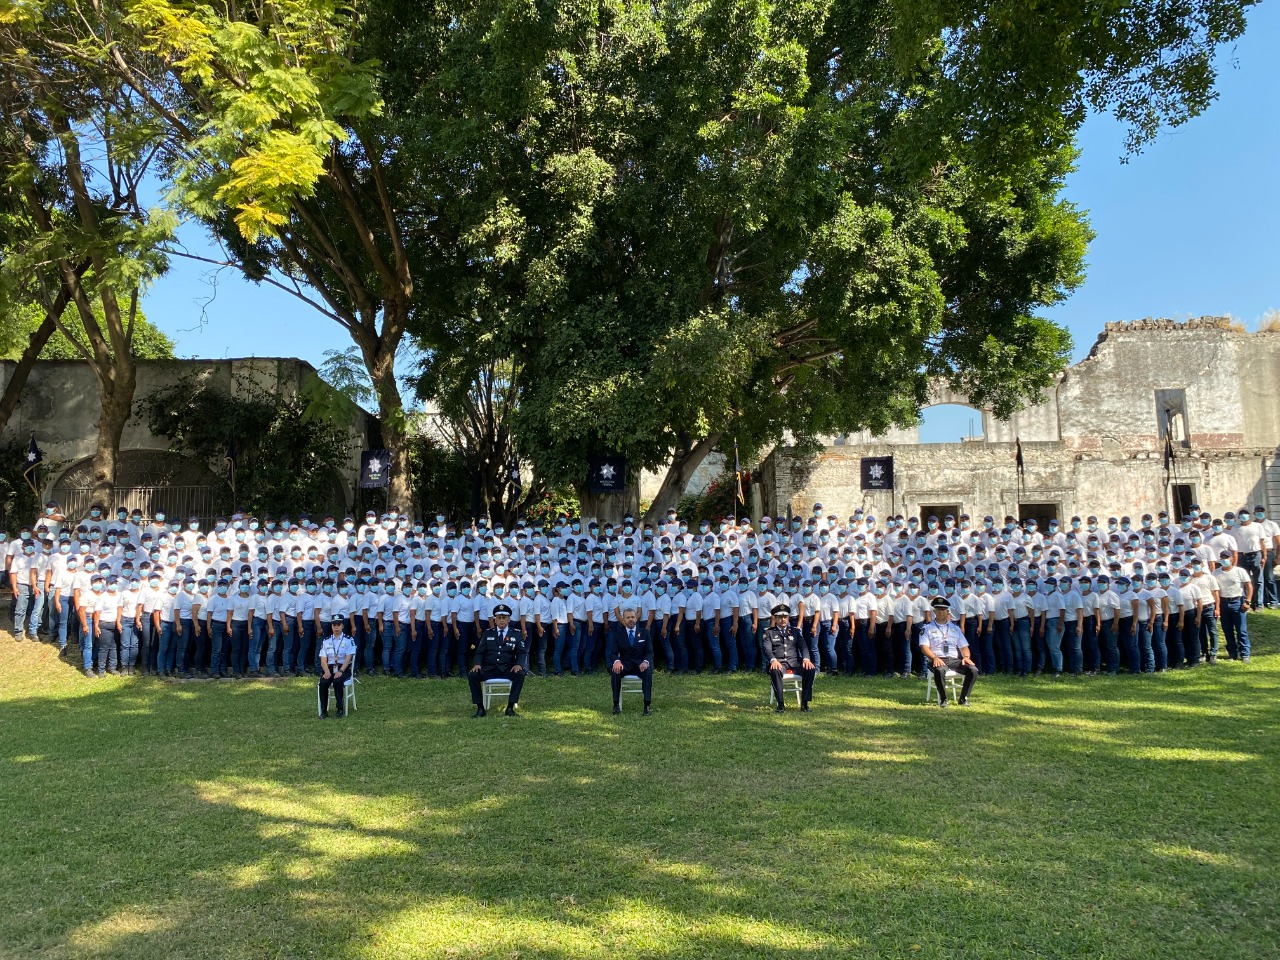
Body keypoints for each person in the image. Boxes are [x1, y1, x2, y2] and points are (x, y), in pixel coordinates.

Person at [468, 603, 527, 717]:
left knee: (520, 674)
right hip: (490, 668)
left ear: (509, 619)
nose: (501, 621)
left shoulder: (516, 634)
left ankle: (510, 708)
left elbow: (521, 652)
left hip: (507, 668)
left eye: (504, 618)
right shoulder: (487, 633)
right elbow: (480, 652)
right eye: (499, 618)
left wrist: (519, 664)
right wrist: (477, 664)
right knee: (473, 675)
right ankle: (480, 708)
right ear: (495, 620)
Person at [919, 596, 979, 707]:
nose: (941, 612)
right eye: (939, 609)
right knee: (940, 670)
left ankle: (963, 698)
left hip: (954, 659)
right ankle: (943, 699)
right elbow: (924, 647)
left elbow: (964, 646)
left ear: (948, 612)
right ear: (934, 611)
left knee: (973, 670)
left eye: (944, 609)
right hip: (937, 658)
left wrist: (966, 657)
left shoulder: (955, 629)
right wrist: (934, 658)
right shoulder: (927, 628)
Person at [761, 602, 816, 712]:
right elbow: (767, 649)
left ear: (788, 618)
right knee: (775, 669)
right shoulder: (769, 633)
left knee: (810, 668)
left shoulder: (795, 632)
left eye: (785, 617)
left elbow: (803, 646)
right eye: (780, 617)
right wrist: (773, 660)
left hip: (794, 663)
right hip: (779, 663)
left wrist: (806, 659)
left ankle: (805, 703)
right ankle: (780, 704)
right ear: (775, 618)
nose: (783, 620)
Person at [606, 604, 653, 715]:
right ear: (623, 619)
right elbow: (612, 653)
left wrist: (645, 662)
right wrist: (616, 661)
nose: (630, 619)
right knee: (615, 670)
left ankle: (647, 705)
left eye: (632, 617)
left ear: (636, 618)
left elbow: (649, 652)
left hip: (639, 664)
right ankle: (616, 705)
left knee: (647, 671)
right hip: (624, 664)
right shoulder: (618, 634)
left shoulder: (644, 633)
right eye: (628, 617)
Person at [317, 615, 356, 718]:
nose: (336, 627)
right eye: (334, 625)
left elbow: (348, 658)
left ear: (342, 626)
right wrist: (326, 671)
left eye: (338, 625)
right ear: (331, 627)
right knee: (323, 682)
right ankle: (324, 711)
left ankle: (339, 709)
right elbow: (323, 659)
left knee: (337, 681)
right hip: (329, 668)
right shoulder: (326, 641)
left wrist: (341, 671)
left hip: (343, 667)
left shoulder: (348, 640)